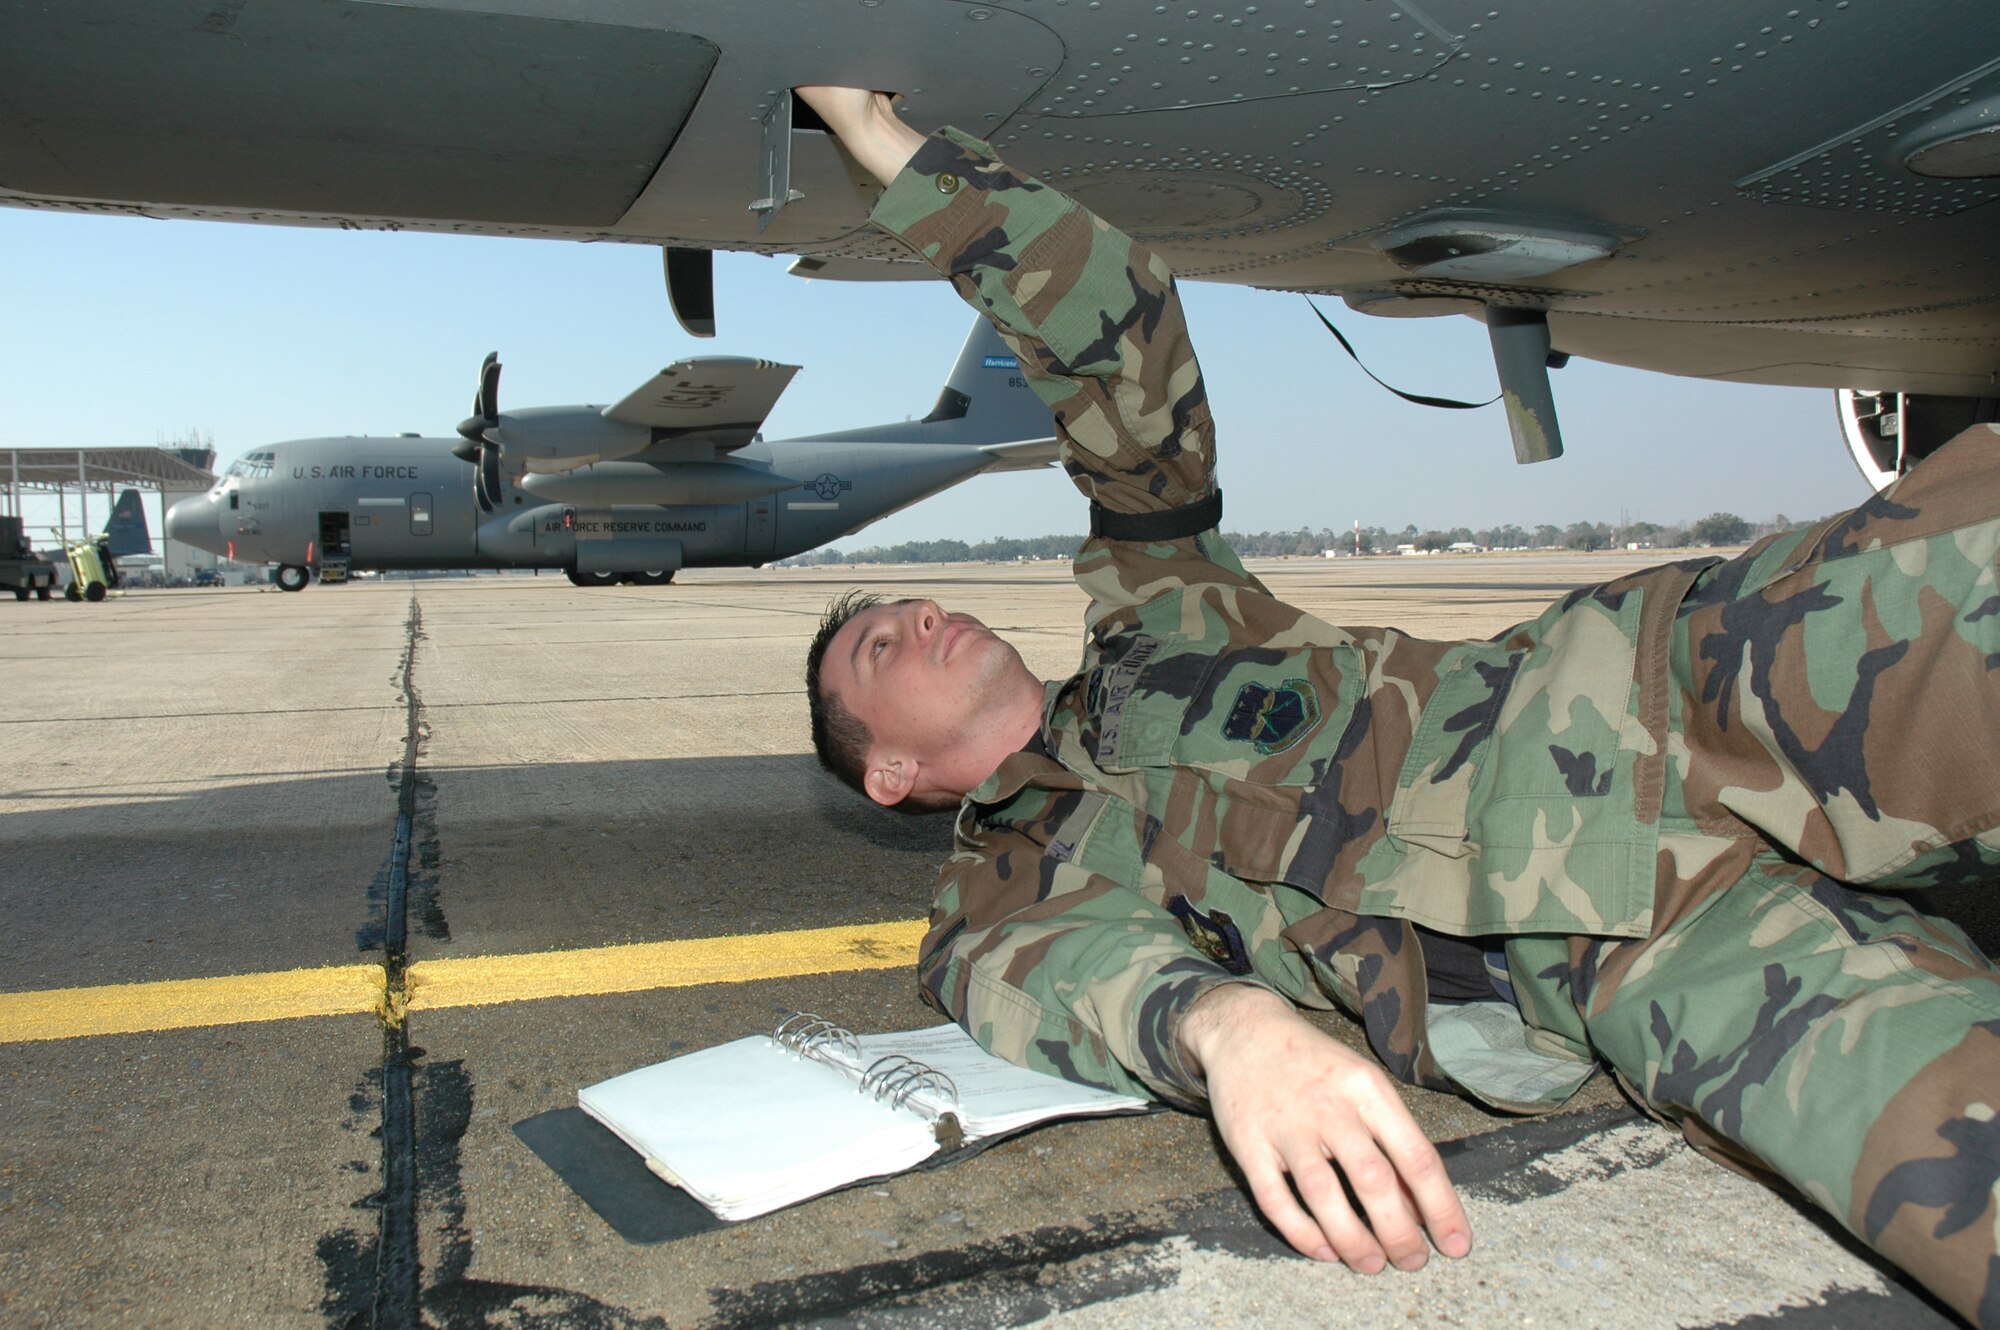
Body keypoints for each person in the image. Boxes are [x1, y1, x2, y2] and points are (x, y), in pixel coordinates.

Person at [795, 84, 2000, 1325]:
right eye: (881, 645)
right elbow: (1061, 974)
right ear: (886, 771)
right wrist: (1226, 1026)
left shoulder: (1157, 613)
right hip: (1635, 961)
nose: (925, 618)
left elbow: (1117, 342)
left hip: (1684, 699)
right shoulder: (996, 899)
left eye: (915, 606)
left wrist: (900, 157)